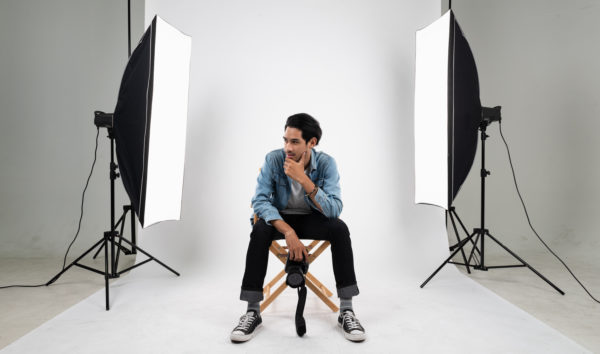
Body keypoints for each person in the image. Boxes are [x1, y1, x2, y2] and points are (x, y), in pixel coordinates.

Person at [230, 113, 365, 343]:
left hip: (313, 218)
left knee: (339, 228)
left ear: (311, 143)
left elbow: (334, 210)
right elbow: (260, 201)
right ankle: (252, 311)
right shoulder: (273, 160)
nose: (287, 148)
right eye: (285, 140)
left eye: (294, 142)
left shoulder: (326, 163)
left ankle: (346, 310)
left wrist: (304, 179)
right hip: (281, 219)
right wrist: (288, 232)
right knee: (260, 230)